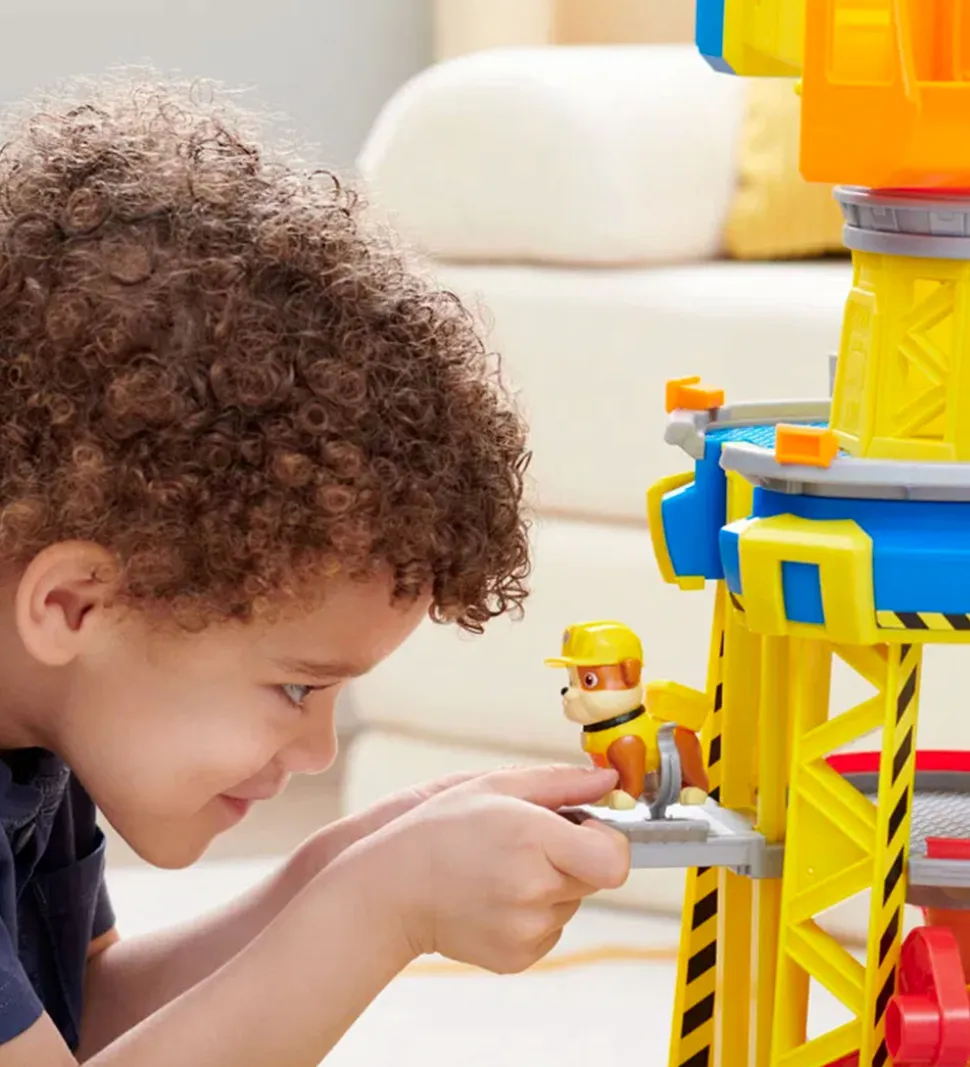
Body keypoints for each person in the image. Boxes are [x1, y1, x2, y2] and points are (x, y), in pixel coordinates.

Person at [0, 72, 631, 1066]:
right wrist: (380, 907)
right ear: (75, 602)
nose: (318, 750)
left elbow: (77, 1022)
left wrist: (333, 871)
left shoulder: (47, 720)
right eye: (297, 685)